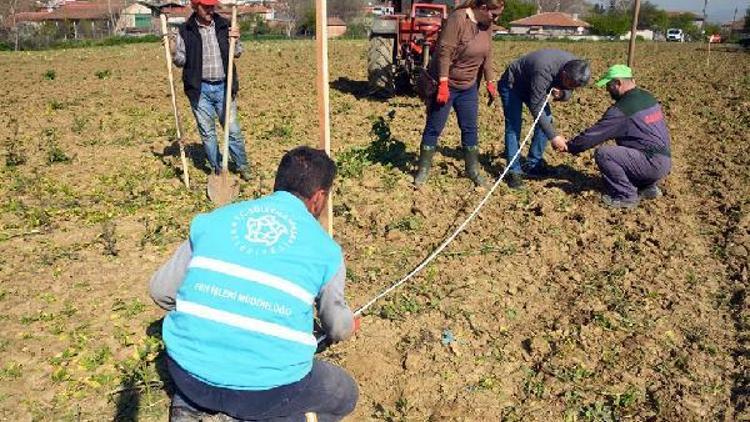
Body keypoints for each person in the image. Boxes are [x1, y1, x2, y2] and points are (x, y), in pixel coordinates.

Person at [149, 146, 359, 421]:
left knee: (205, 383)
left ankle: (190, 404)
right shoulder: (326, 250)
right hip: (265, 390)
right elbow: (337, 327)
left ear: (278, 183)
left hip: (187, 372)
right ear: (319, 198)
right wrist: (349, 323)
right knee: (344, 393)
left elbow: (160, 291)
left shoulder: (215, 220)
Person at [552, 64, 671, 209]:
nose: (607, 89)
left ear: (618, 83)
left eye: (609, 85)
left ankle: (626, 196)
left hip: (650, 164)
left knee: (605, 154)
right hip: (664, 161)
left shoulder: (622, 110)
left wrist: (570, 146)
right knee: (632, 144)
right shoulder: (647, 97)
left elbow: (595, 134)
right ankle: (648, 187)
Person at [413, 0, 504, 188]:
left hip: (469, 87)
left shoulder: (486, 26)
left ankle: (472, 170)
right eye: (494, 15)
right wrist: (443, 84)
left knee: (470, 128)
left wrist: (490, 81)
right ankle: (423, 170)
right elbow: (444, 52)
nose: (496, 19)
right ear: (483, 8)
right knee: (434, 127)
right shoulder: (458, 19)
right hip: (448, 83)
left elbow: (487, 55)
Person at [171, 0, 251, 181]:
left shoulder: (225, 26)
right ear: (195, 6)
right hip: (199, 89)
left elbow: (237, 53)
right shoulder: (186, 30)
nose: (209, 9)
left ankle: (242, 165)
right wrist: (174, 52)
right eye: (205, 6)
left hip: (224, 85)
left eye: (211, 5)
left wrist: (236, 40)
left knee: (232, 130)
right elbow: (180, 61)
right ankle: (217, 169)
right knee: (207, 133)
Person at [499, 49, 591, 189]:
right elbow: (537, 107)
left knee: (547, 120)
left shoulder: (576, 67)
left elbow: (569, 91)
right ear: (564, 75)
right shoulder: (543, 69)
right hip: (514, 85)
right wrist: (553, 137)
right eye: (570, 84)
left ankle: (532, 164)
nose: (572, 88)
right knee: (514, 126)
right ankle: (513, 171)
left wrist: (563, 94)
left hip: (536, 87)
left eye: (575, 86)